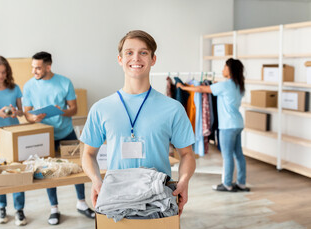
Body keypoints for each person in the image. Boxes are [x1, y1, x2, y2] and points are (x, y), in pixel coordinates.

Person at [80, 30, 196, 216]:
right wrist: (96, 180)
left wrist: (184, 181)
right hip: (116, 201)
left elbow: (187, 154)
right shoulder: (101, 108)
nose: (136, 58)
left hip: (159, 200)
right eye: (129, 52)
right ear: (120, 59)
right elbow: (88, 153)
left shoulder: (173, 108)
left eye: (143, 52)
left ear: (153, 59)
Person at [23, 51, 95, 225]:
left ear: (48, 67)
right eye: (33, 67)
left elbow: (74, 109)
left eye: (38, 68)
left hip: (66, 133)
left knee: (77, 168)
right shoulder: (29, 86)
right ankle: (54, 208)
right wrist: (33, 118)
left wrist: (60, 111)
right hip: (44, 136)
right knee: (48, 172)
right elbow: (27, 113)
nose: (34, 71)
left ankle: (81, 203)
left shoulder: (64, 82)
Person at [177, 58, 250, 192]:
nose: (223, 69)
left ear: (230, 69)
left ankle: (227, 184)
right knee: (238, 154)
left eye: (224, 67)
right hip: (238, 123)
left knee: (227, 155)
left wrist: (182, 87)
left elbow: (200, 88)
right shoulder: (239, 85)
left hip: (227, 126)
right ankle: (241, 183)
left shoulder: (225, 85)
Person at [0, 55, 27, 226]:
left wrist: (16, 112)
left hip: (14, 134)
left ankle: (19, 209)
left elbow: (22, 112)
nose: (1, 76)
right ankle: (1, 207)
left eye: (3, 72)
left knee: (17, 172)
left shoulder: (14, 88)